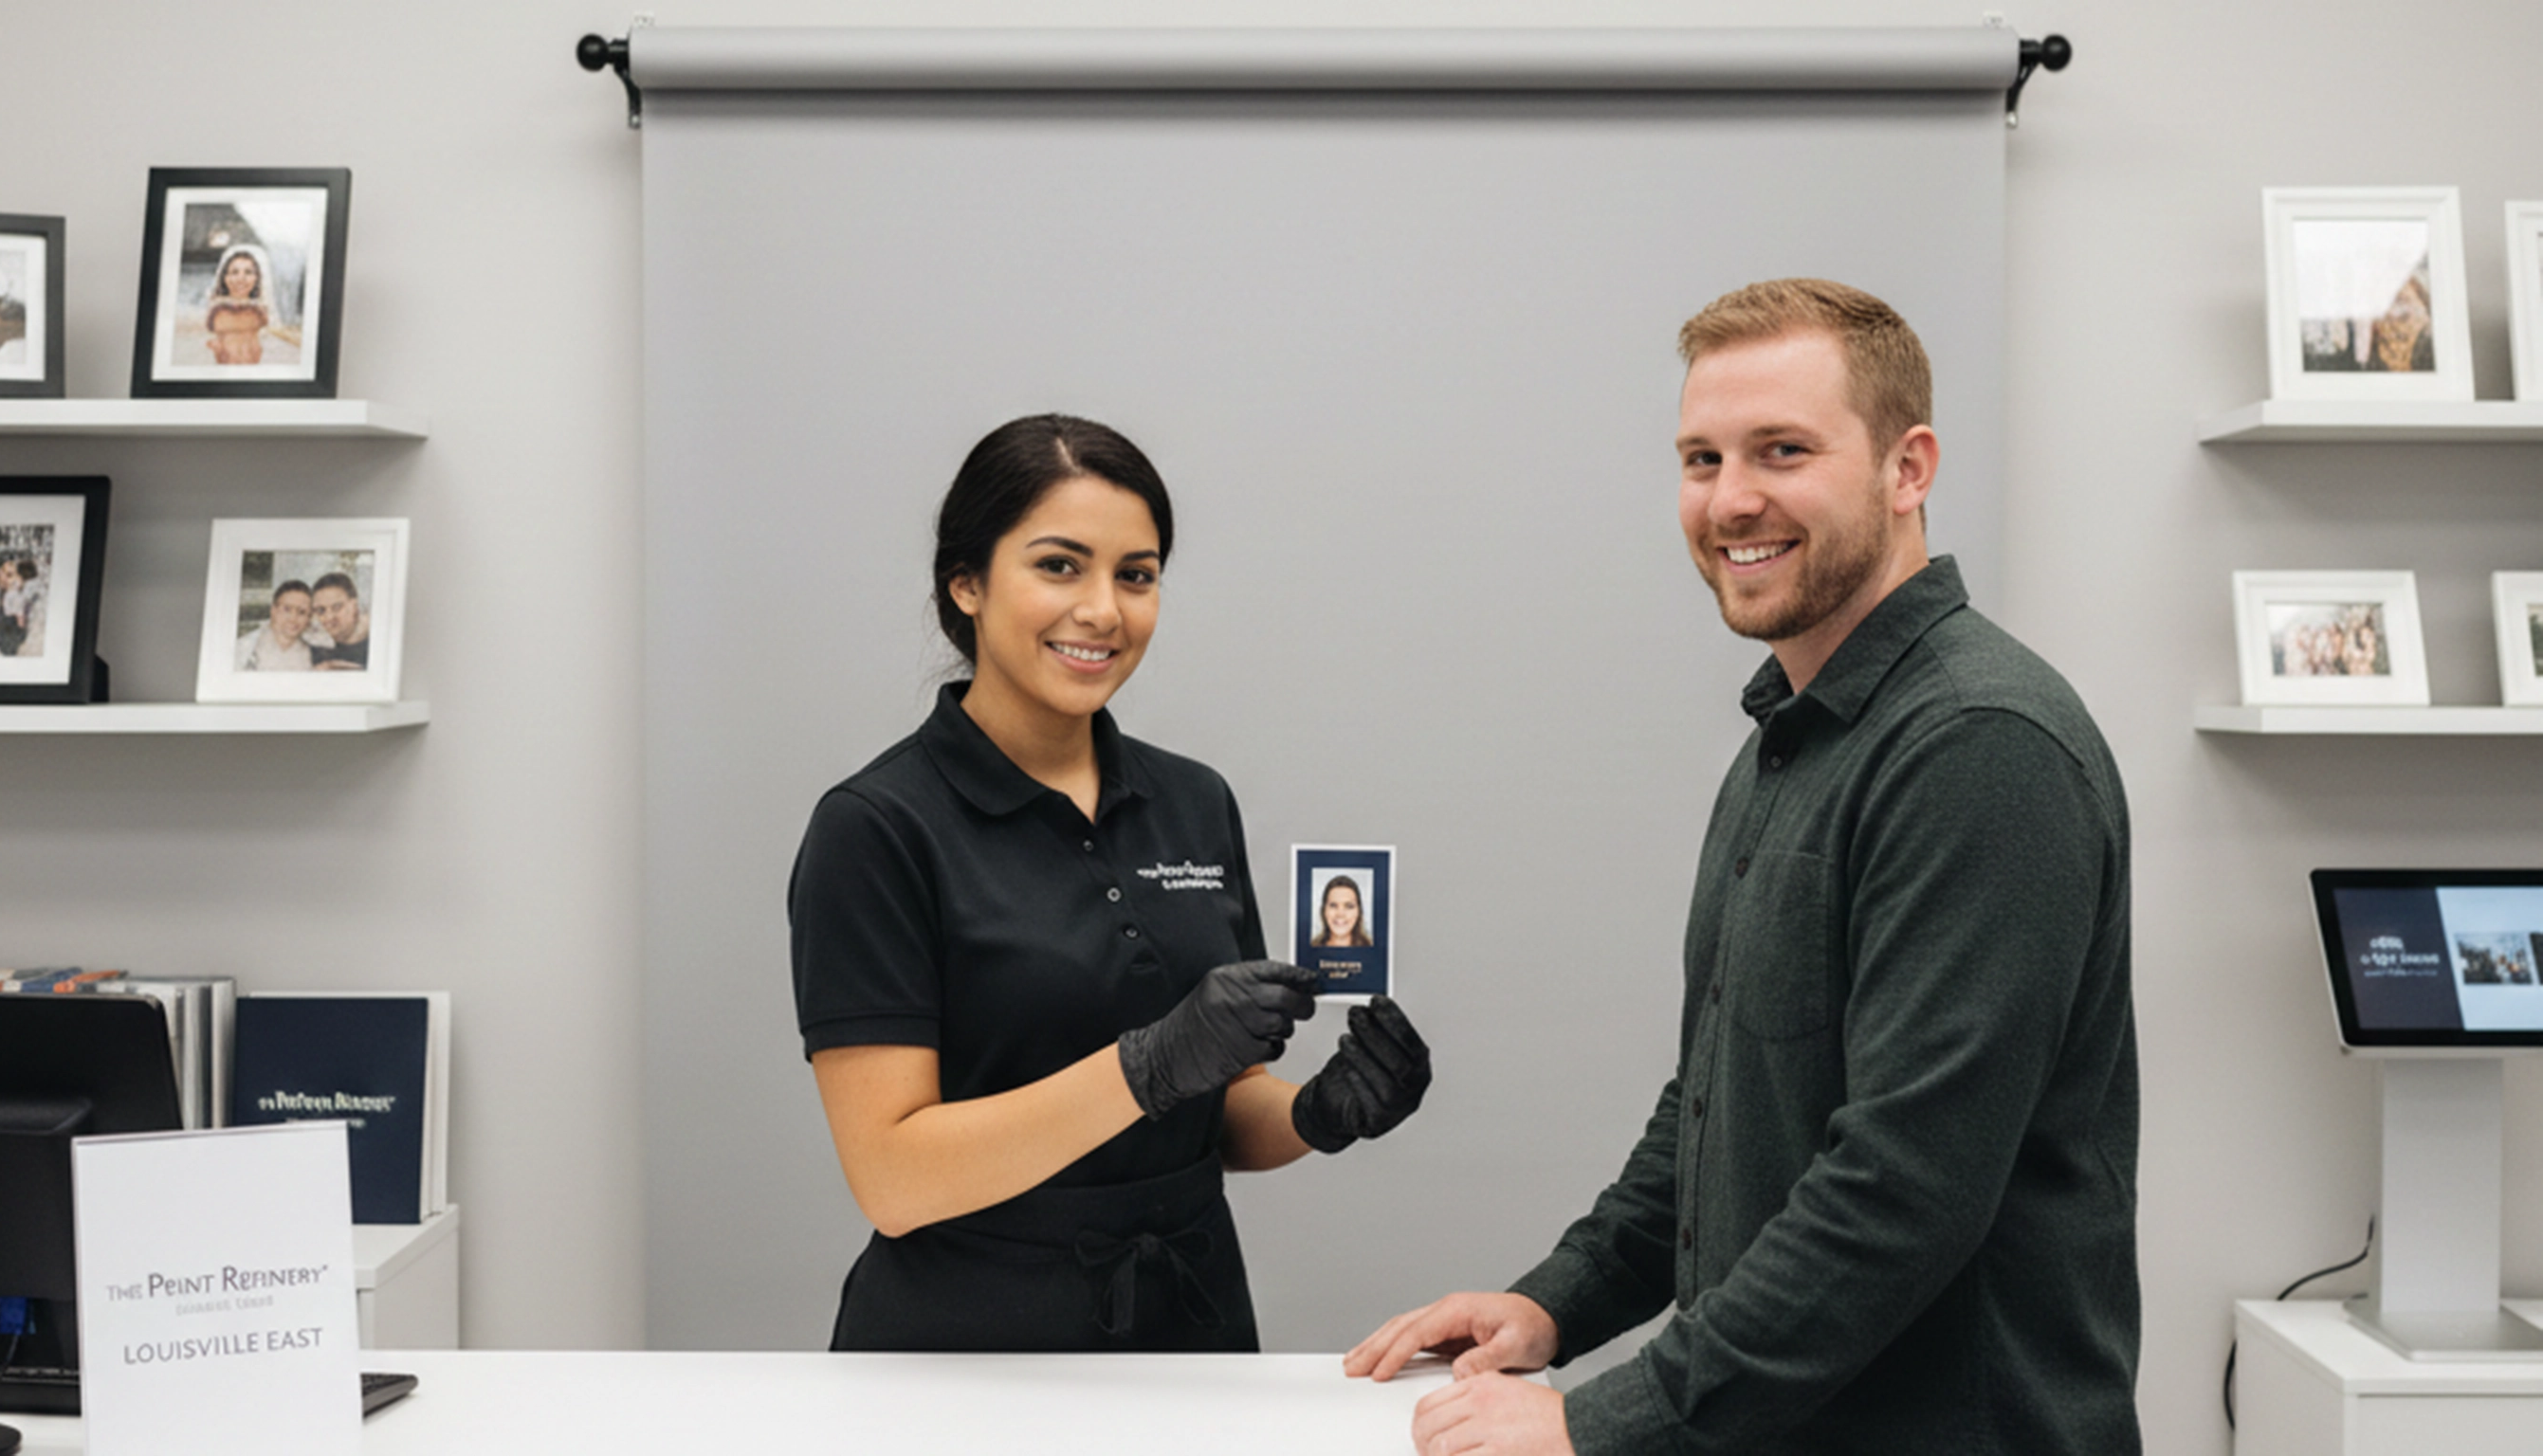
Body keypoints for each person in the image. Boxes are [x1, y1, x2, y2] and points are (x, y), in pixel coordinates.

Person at [1346, 279, 2139, 1455]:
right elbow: (1718, 1098)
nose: (1731, 500)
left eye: (1781, 451)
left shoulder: (1979, 747)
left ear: (1907, 467)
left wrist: (1601, 1423)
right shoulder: (1796, 735)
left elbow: (1901, 1191)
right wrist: (1555, 1303)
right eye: (1700, 459)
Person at [787, 413, 1435, 1353]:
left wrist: (1316, 1112)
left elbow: (1221, 1110)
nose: (1104, 610)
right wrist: (1147, 1066)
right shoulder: (877, 828)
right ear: (964, 582)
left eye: (1136, 575)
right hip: (963, 1354)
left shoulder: (1193, 800)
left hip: (1189, 1330)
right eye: (1059, 565)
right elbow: (893, 1180)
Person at [203, 246, 283, 366]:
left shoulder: (261, 311)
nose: (241, 279)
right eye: (234, 272)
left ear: (257, 278)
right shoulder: (218, 312)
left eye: (248, 272)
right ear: (225, 278)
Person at [236, 579, 320, 671]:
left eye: (302, 612)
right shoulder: (245, 647)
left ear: (309, 618)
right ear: (273, 610)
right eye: (287, 609)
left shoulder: (312, 654)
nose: (293, 619)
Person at [307, 573, 370, 670]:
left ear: (354, 605)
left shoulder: (378, 644)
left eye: (337, 607)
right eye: (321, 610)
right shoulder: (313, 648)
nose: (329, 617)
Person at [1310, 874, 1374, 948]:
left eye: (1349, 906)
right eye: (1333, 905)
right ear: (1323, 910)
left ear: (1359, 912)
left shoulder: (1372, 948)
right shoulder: (1310, 949)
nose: (1340, 914)